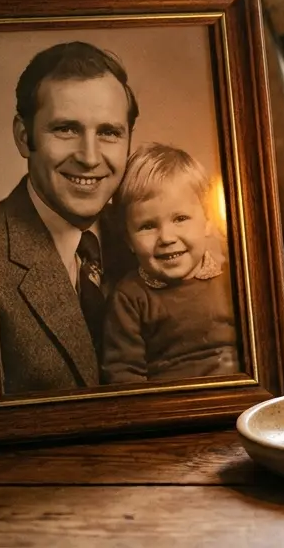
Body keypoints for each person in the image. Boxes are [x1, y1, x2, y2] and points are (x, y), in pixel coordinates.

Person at [0, 41, 138, 396]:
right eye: (66, 129)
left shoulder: (150, 234)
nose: (89, 157)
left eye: (108, 132)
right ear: (25, 138)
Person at [102, 143, 240, 384]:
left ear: (207, 221)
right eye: (147, 226)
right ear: (129, 240)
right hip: (167, 408)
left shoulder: (232, 280)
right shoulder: (130, 297)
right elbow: (123, 373)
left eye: (180, 218)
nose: (166, 237)